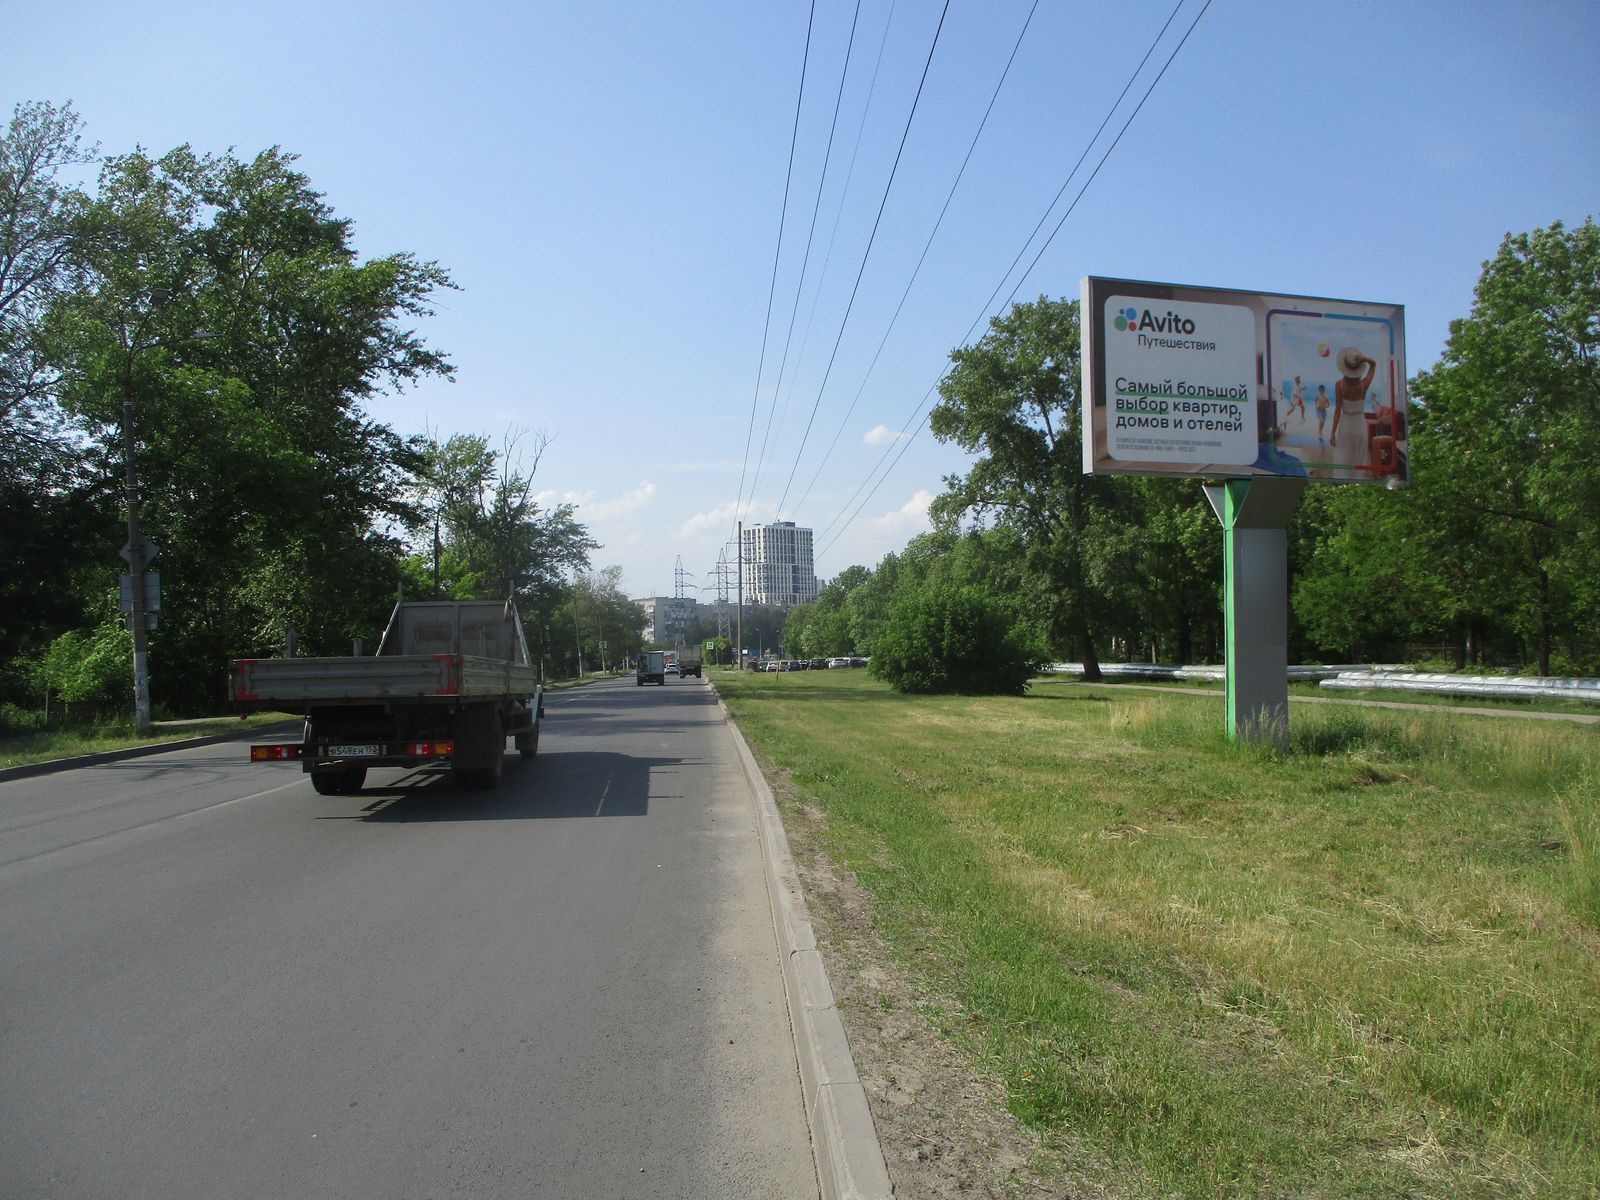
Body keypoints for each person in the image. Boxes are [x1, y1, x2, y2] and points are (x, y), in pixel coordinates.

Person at [1329, 347, 1377, 466]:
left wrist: (1332, 433)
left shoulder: (1339, 385)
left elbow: (1337, 411)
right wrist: (1364, 359)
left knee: (1344, 459)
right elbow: (1373, 365)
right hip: (1359, 424)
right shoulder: (1363, 385)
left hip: (1346, 425)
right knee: (1359, 460)